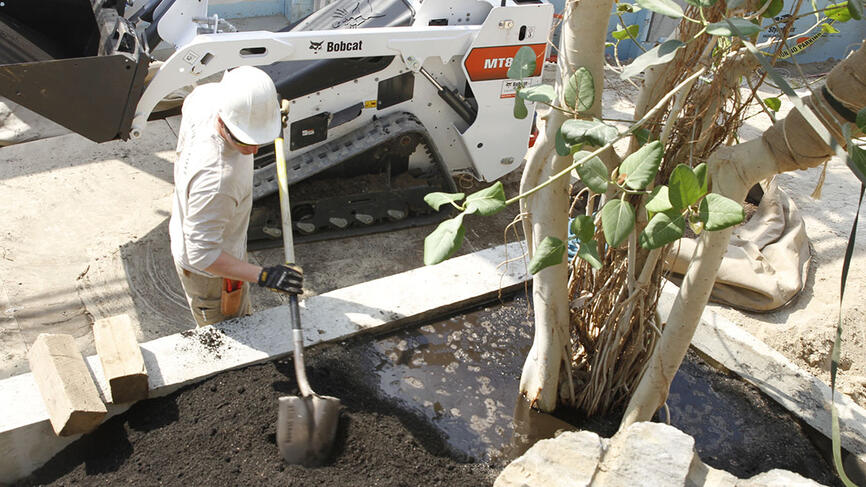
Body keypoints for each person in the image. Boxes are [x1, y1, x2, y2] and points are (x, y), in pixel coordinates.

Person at [169, 66, 303, 327]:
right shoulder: (219, 180)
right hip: (211, 276)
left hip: (206, 231)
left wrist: (268, 119)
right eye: (243, 140)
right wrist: (265, 275)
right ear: (222, 120)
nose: (253, 149)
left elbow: (250, 111)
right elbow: (203, 256)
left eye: (260, 139)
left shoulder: (205, 97)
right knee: (231, 334)